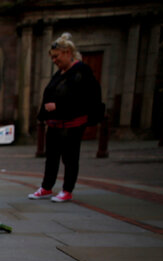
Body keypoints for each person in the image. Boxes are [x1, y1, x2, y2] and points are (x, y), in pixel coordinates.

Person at [28, 33, 102, 203]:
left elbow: (85, 98)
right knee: (51, 156)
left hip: (72, 123)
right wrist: (45, 114)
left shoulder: (81, 72)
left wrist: (59, 107)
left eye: (56, 56)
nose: (54, 60)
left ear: (68, 52)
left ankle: (67, 190)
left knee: (70, 157)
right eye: (52, 57)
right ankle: (46, 187)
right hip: (54, 123)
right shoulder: (60, 73)